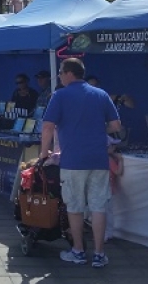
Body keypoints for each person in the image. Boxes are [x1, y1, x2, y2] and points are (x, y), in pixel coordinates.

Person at [41, 57, 121, 268]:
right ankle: (99, 254)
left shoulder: (60, 95)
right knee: (98, 207)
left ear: (69, 73)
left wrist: (43, 153)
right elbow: (115, 125)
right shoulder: (101, 94)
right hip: (98, 160)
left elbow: (48, 126)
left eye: (60, 72)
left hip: (72, 161)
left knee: (75, 207)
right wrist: (96, 129)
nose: (59, 76)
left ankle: (78, 251)